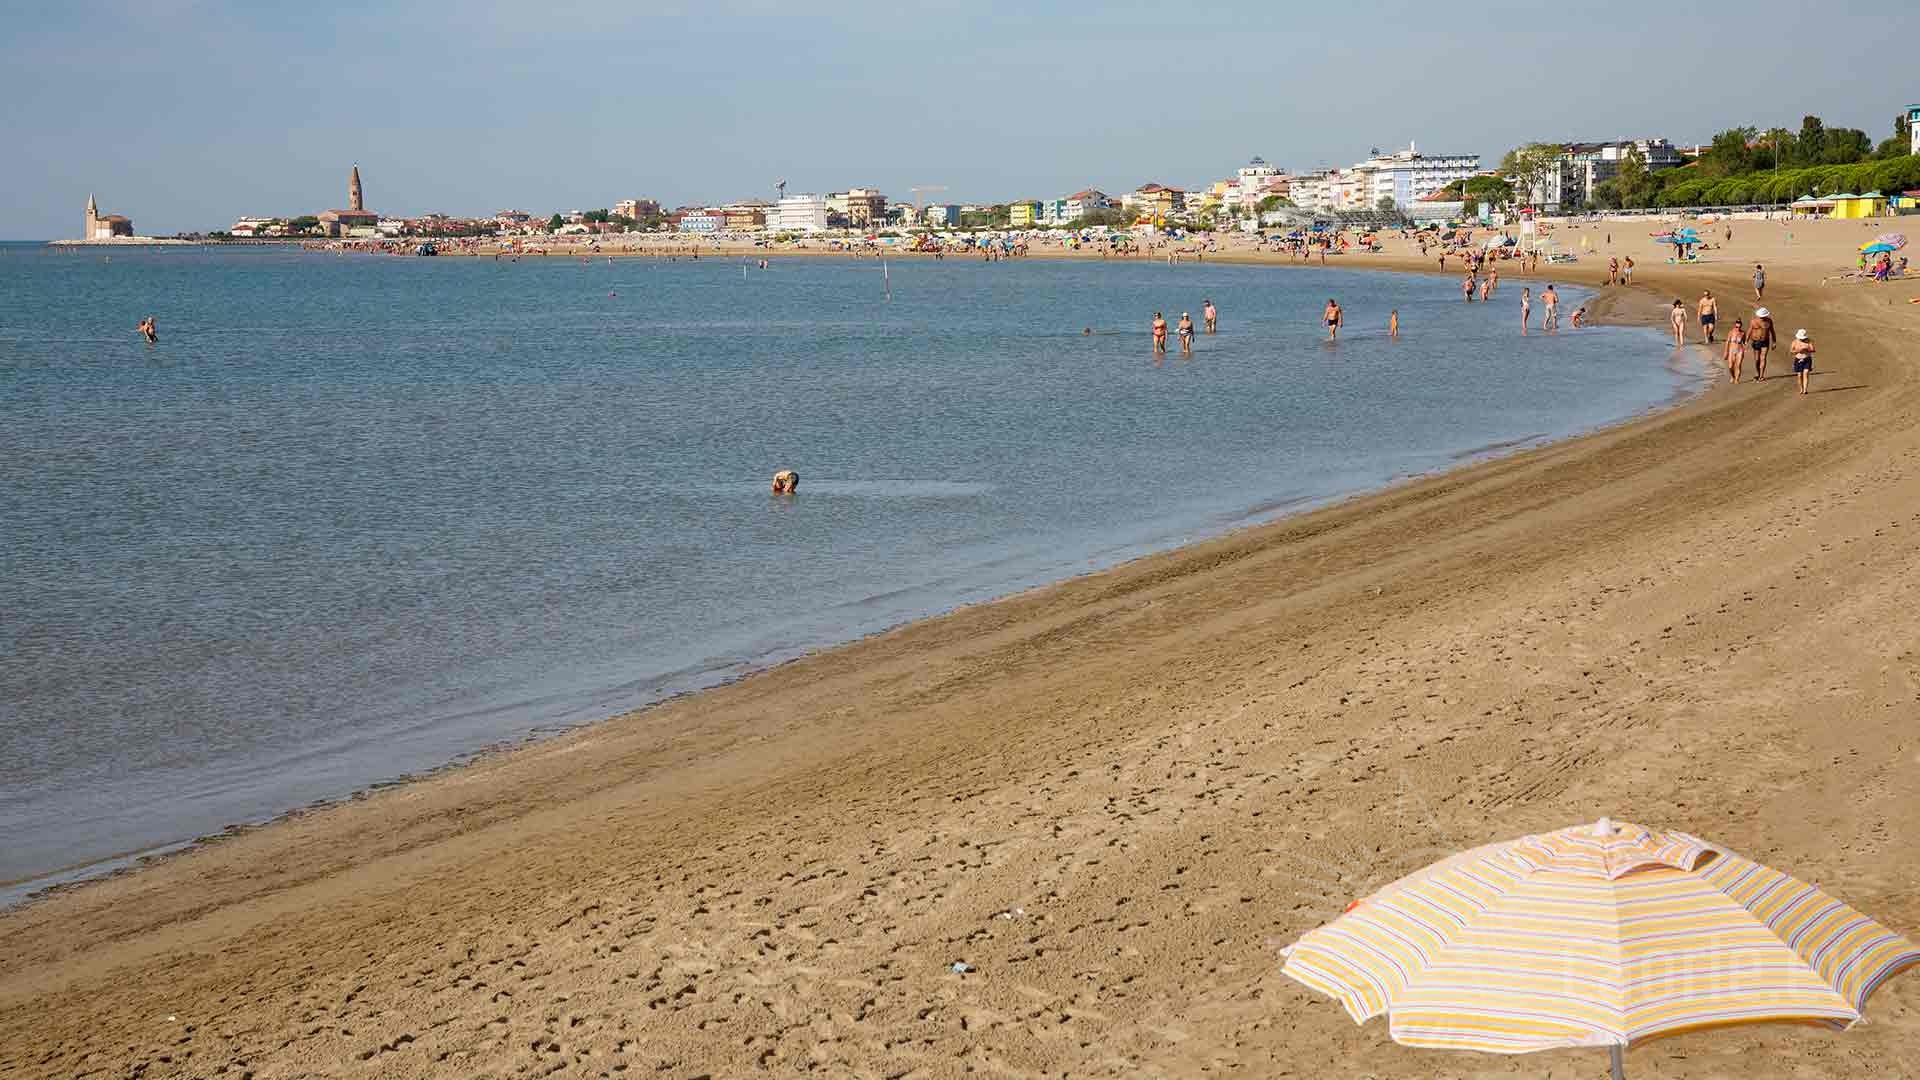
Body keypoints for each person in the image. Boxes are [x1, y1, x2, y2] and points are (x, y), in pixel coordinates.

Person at [1748, 308, 1776, 380]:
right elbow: (1749, 330)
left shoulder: (1769, 321)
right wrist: (1746, 341)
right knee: (1757, 359)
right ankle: (1758, 373)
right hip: (1756, 341)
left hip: (1765, 341)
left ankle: (1761, 375)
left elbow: (1772, 331)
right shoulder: (1753, 321)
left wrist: (1774, 342)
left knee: (1763, 358)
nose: (1762, 317)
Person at [1789, 329, 1815, 395]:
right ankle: (1801, 389)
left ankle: (1805, 390)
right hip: (1798, 359)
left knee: (1806, 373)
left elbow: (1813, 349)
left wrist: (1807, 349)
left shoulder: (1809, 341)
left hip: (1807, 359)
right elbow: (1791, 351)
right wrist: (1798, 350)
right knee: (1799, 375)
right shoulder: (1794, 342)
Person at [1724, 317, 1746, 383]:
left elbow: (1744, 342)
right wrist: (1726, 352)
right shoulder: (1731, 332)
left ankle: (1737, 379)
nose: (1738, 328)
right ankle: (1733, 376)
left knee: (1738, 365)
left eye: (1739, 326)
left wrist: (1745, 348)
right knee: (1730, 366)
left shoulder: (1743, 333)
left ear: (1741, 325)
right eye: (1737, 326)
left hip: (1740, 350)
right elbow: (1727, 342)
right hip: (1731, 350)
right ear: (1735, 325)